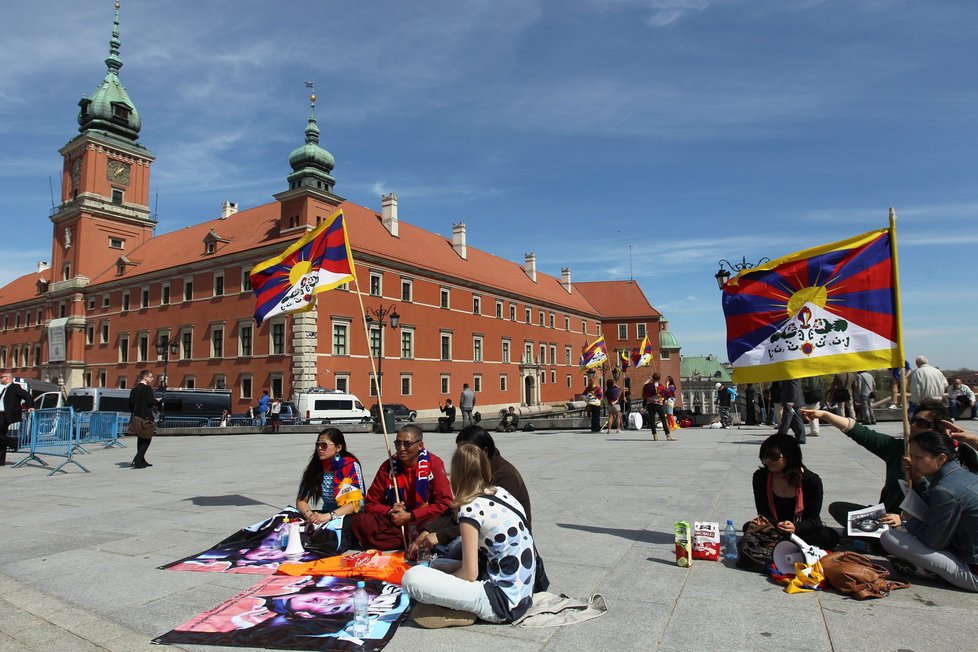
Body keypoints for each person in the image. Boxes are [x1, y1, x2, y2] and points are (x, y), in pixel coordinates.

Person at [402, 443, 535, 627]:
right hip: (522, 593)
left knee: (412, 578)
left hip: (502, 604)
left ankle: (458, 609)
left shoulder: (470, 509)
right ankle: (456, 604)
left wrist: (444, 588)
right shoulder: (502, 493)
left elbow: (469, 574)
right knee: (436, 565)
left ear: (456, 474)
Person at [800, 398, 949, 526]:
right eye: (913, 420)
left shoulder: (943, 460)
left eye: (922, 423)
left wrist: (903, 518)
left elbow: (939, 509)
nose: (914, 425)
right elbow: (860, 432)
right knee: (838, 509)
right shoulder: (898, 447)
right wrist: (825, 415)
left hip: (917, 523)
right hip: (885, 516)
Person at [879, 430, 978, 591]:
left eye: (918, 457)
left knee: (889, 537)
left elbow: (935, 542)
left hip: (973, 573)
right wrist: (917, 479)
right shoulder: (964, 474)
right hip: (966, 551)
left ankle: (928, 572)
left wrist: (909, 520)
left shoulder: (946, 489)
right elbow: (935, 506)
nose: (911, 461)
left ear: (941, 459)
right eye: (911, 455)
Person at [410, 425, 531, 556]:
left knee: (451, 552)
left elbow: (478, 524)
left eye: (466, 453)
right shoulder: (476, 472)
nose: (462, 460)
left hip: (506, 553)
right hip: (489, 542)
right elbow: (456, 508)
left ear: (483, 452)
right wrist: (429, 530)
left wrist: (440, 535)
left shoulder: (505, 478)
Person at [348, 424, 453, 550]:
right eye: (398, 444)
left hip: (422, 519)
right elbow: (371, 502)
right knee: (360, 521)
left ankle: (403, 539)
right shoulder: (388, 466)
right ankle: (411, 540)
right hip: (395, 521)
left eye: (407, 444)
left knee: (444, 519)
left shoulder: (433, 464)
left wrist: (410, 515)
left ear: (420, 445)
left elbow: (444, 503)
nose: (401, 448)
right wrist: (390, 511)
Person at [752, 434, 839, 550]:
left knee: (829, 536)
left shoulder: (811, 481)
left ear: (790, 456)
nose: (768, 460)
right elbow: (763, 513)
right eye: (764, 456)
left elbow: (813, 519)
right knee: (749, 527)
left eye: (774, 456)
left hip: (801, 530)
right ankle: (788, 546)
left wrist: (795, 528)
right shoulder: (761, 477)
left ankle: (785, 545)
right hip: (774, 528)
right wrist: (777, 525)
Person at [296, 428, 366, 525]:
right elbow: (301, 500)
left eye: (324, 445)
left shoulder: (350, 466)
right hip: (324, 515)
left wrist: (328, 516)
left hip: (348, 517)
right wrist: (310, 516)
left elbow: (357, 503)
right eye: (318, 445)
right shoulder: (316, 466)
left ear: (338, 447)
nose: (319, 448)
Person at [0, 371, 34, 466]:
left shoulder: (14, 387)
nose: (0, 379)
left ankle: (14, 442)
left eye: (2, 377)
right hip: (2, 414)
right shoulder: (5, 389)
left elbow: (27, 395)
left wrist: (30, 406)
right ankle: (1, 461)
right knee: (1, 437)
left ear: (7, 378)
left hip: (4, 415)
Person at [128, 369, 160, 469]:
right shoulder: (147, 388)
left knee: (141, 438)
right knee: (147, 439)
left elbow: (131, 403)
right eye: (150, 376)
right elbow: (150, 402)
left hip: (137, 416)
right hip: (146, 416)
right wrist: (157, 401)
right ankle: (137, 460)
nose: (152, 378)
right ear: (145, 378)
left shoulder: (134, 389)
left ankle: (142, 460)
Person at [644, 374, 673, 440]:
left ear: (653, 378)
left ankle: (655, 435)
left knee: (652, 420)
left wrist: (649, 380)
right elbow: (664, 393)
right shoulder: (661, 386)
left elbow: (644, 386)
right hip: (658, 404)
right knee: (663, 420)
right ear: (659, 378)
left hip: (650, 404)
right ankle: (668, 435)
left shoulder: (648, 386)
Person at [776, 378, 805, 443]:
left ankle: (780, 438)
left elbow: (793, 387)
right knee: (796, 419)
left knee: (786, 420)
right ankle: (801, 438)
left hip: (791, 403)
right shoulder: (792, 375)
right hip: (794, 402)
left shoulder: (791, 377)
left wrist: (791, 401)